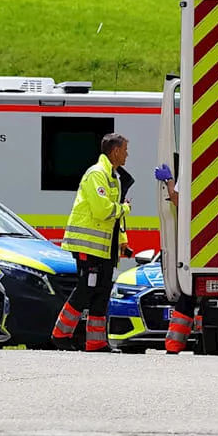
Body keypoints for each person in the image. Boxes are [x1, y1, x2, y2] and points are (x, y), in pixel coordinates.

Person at [49, 133, 131, 352]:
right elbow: (103, 210)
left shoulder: (113, 176)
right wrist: (125, 208)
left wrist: (122, 241)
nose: (127, 154)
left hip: (105, 248)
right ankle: (60, 334)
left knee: (102, 291)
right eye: (125, 150)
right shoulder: (96, 174)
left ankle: (96, 342)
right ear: (115, 151)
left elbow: (115, 219)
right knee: (86, 288)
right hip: (88, 246)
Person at [154, 163, 200, 354]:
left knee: (189, 293)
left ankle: (174, 344)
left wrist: (169, 181)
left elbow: (177, 198)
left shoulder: (192, 163)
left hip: (195, 240)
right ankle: (204, 342)